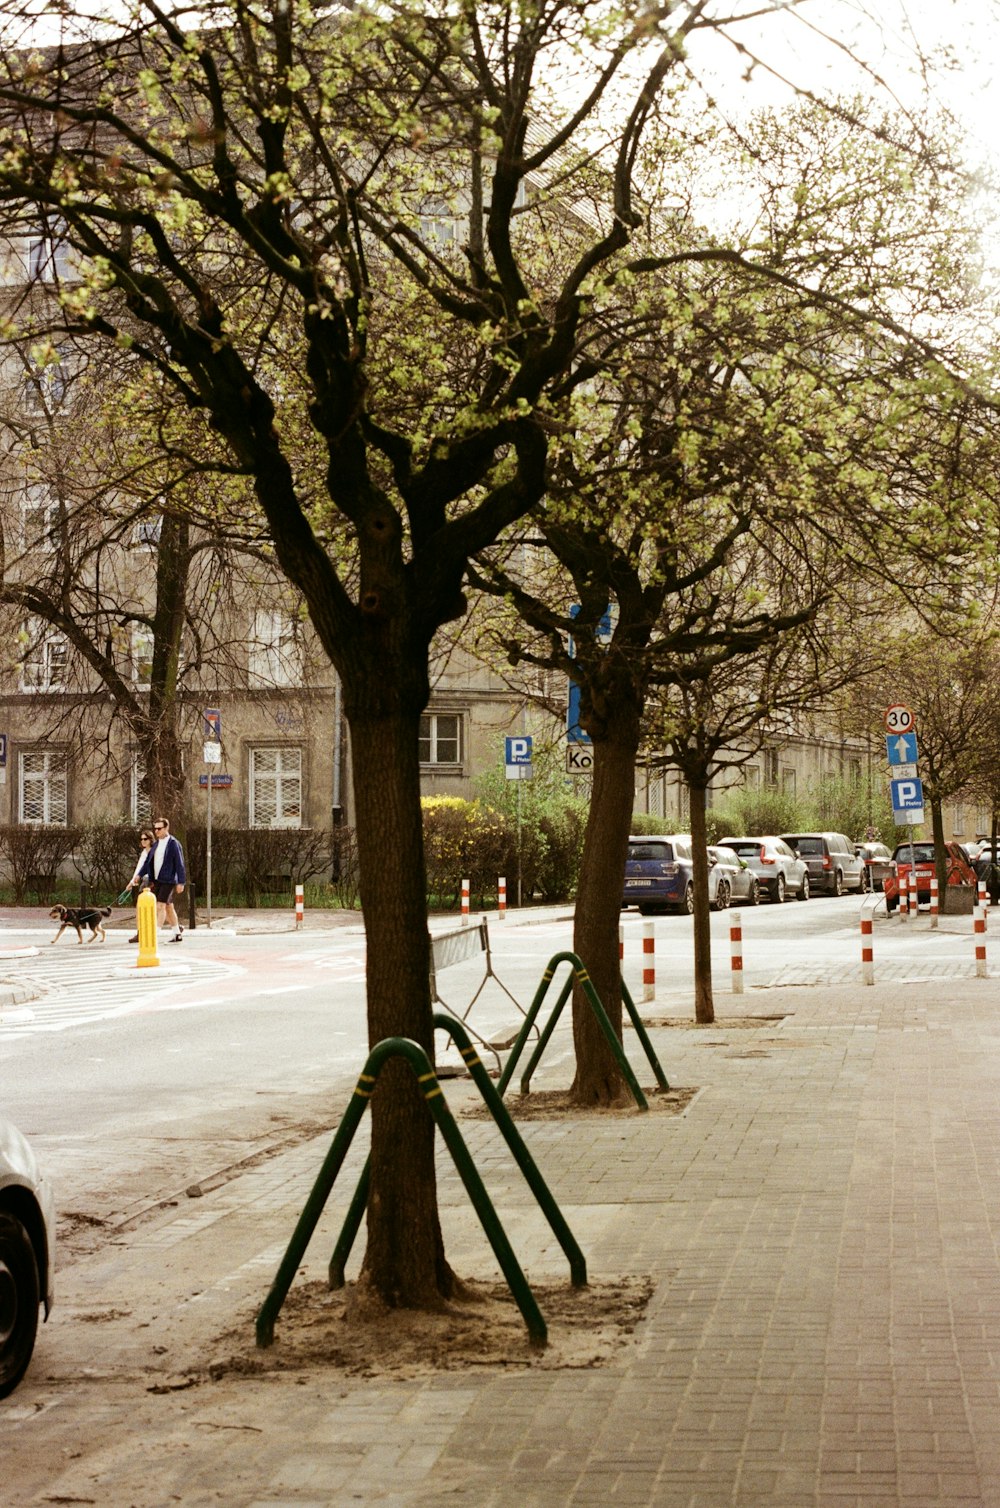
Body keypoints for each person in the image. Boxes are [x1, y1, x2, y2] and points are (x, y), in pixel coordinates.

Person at [137, 817, 186, 943]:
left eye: (159, 828)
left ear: (166, 828)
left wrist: (181, 882)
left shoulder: (173, 843)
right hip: (157, 880)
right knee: (169, 907)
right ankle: (177, 934)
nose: (157, 831)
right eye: (155, 828)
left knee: (160, 905)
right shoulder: (157, 844)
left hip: (168, 880)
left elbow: (179, 863)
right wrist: (139, 875)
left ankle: (155, 934)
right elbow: (148, 862)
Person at [127, 828, 154, 944]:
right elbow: (139, 868)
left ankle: (176, 928)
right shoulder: (144, 853)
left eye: (145, 839)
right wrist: (132, 882)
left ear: (150, 840)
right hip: (145, 880)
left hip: (151, 881)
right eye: (142, 839)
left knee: (160, 906)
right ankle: (140, 932)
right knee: (142, 906)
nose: (143, 841)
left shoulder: (153, 852)